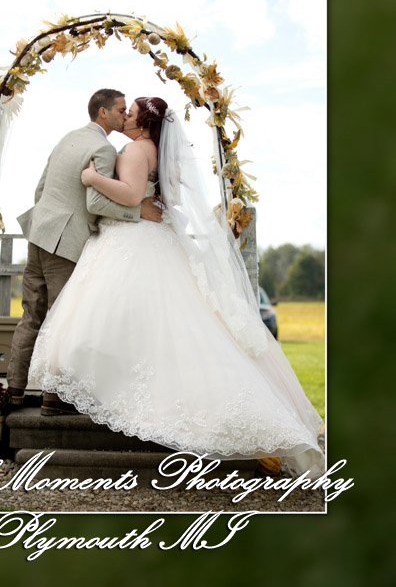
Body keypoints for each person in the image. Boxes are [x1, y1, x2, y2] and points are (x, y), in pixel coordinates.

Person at [28, 96, 325, 474]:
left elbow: (133, 196)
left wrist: (93, 179)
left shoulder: (136, 149)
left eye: (131, 112)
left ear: (145, 123)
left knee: (106, 316)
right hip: (152, 237)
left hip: (131, 238)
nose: (127, 116)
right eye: (125, 110)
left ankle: (107, 388)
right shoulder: (153, 148)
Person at [6, 88, 155, 413]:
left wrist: (47, 219)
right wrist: (137, 212)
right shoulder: (102, 147)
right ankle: (53, 398)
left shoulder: (68, 137)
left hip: (39, 233)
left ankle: (14, 391)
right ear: (103, 113)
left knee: (31, 315)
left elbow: (41, 188)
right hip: (65, 242)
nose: (123, 116)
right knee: (64, 320)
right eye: (119, 110)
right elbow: (95, 201)